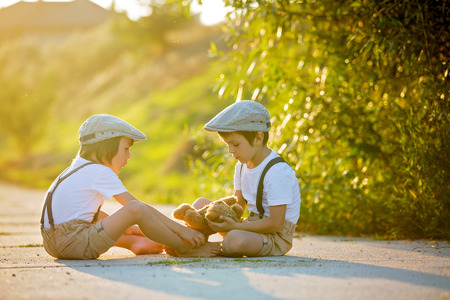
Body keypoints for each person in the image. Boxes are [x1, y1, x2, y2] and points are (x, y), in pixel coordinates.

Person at [40, 114, 220, 259]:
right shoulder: (100, 171)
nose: (129, 156)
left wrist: (129, 227)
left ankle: (147, 241)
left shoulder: (75, 169)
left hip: (53, 243)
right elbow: (138, 208)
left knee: (132, 212)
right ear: (105, 148)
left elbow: (82, 213)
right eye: (126, 149)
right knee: (135, 208)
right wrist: (181, 231)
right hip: (74, 242)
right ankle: (184, 248)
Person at [193, 100, 301, 257]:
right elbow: (239, 205)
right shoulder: (242, 165)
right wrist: (220, 215)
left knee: (234, 241)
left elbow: (276, 223)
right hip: (249, 226)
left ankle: (210, 246)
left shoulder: (277, 172)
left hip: (273, 236)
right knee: (201, 204)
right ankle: (191, 241)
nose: (230, 150)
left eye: (235, 144)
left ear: (258, 138)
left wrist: (235, 227)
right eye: (227, 145)